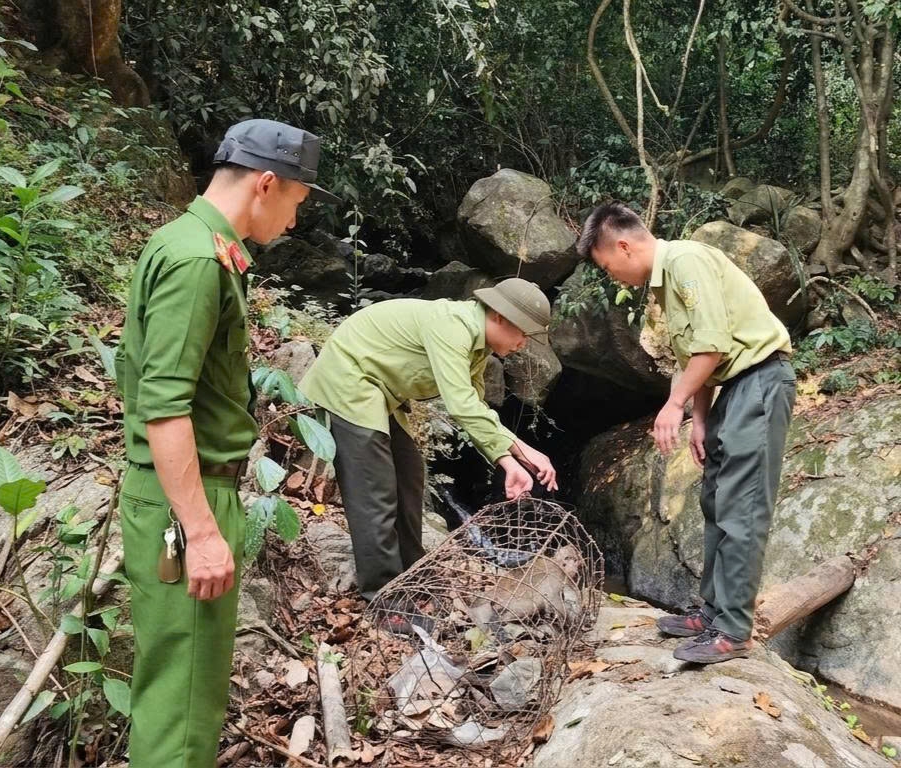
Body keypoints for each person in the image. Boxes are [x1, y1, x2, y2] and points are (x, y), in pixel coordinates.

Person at [114, 118, 339, 768]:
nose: (294, 223)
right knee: (181, 706)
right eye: (296, 202)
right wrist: (201, 530)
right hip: (185, 503)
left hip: (186, 495)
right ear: (266, 183)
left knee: (184, 690)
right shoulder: (195, 262)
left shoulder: (197, 244)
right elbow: (163, 407)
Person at [576, 202, 796, 664]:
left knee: (742, 507)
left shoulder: (686, 261)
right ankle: (712, 613)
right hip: (732, 390)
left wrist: (674, 405)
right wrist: (700, 418)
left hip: (759, 382)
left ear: (622, 245)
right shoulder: (664, 284)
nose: (611, 275)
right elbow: (694, 355)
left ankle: (734, 630)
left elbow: (712, 344)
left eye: (606, 265)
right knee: (716, 500)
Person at [298, 279, 560, 627]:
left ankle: (414, 575)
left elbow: (476, 408)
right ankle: (385, 601)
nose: (523, 343)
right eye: (522, 333)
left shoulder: (478, 347)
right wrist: (520, 454)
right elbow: (461, 405)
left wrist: (512, 459)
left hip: (383, 394)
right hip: (350, 380)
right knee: (375, 493)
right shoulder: (452, 327)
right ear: (499, 316)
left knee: (409, 477)